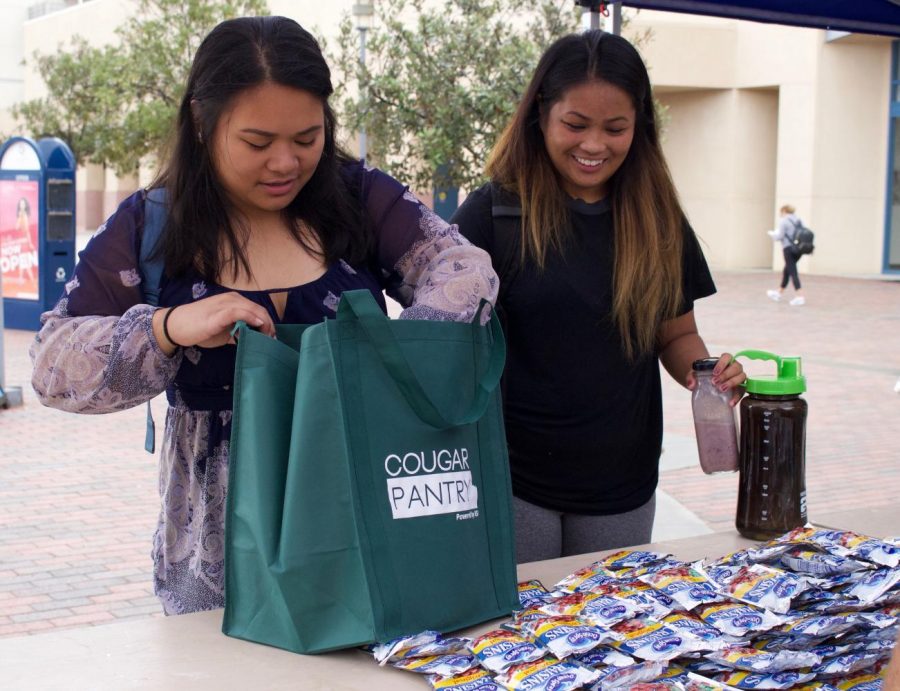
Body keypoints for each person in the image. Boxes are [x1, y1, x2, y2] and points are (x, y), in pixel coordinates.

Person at [29, 16, 497, 615]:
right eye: (257, 142)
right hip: (217, 553)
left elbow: (463, 269)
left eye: (307, 138)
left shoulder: (361, 199)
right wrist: (167, 327)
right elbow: (50, 363)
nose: (286, 163)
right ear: (201, 122)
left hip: (360, 522)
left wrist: (400, 357)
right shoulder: (151, 226)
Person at [450, 30, 745, 564]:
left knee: (612, 632)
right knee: (528, 638)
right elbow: (444, 336)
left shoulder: (657, 220)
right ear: (541, 114)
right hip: (513, 478)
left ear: (640, 127)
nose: (594, 145)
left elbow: (676, 333)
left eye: (616, 128)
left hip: (622, 484)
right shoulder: (495, 212)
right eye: (575, 125)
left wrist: (708, 373)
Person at [766, 204, 805, 306]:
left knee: (792, 271)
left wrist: (772, 234)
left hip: (788, 249)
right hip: (799, 249)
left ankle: (800, 296)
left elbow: (779, 236)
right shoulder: (799, 220)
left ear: (784, 211)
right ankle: (778, 292)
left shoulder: (784, 221)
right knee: (787, 270)